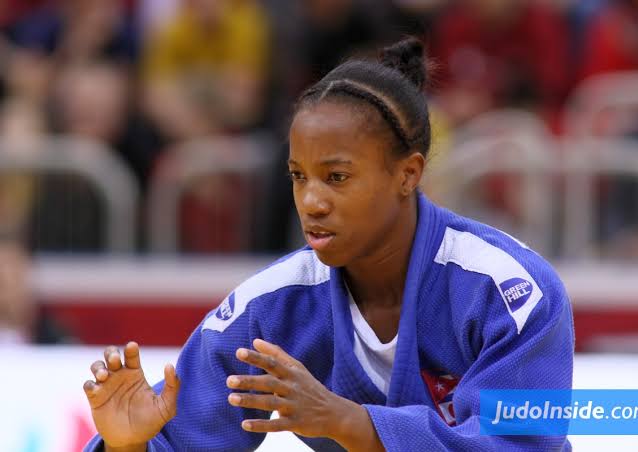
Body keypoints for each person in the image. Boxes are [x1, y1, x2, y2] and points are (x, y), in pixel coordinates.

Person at [83, 38, 574, 451]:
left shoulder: (507, 292)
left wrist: (350, 422)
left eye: (336, 177)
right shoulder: (272, 309)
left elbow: (522, 443)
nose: (311, 202)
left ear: (408, 175)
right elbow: (179, 437)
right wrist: (127, 445)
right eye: (299, 177)